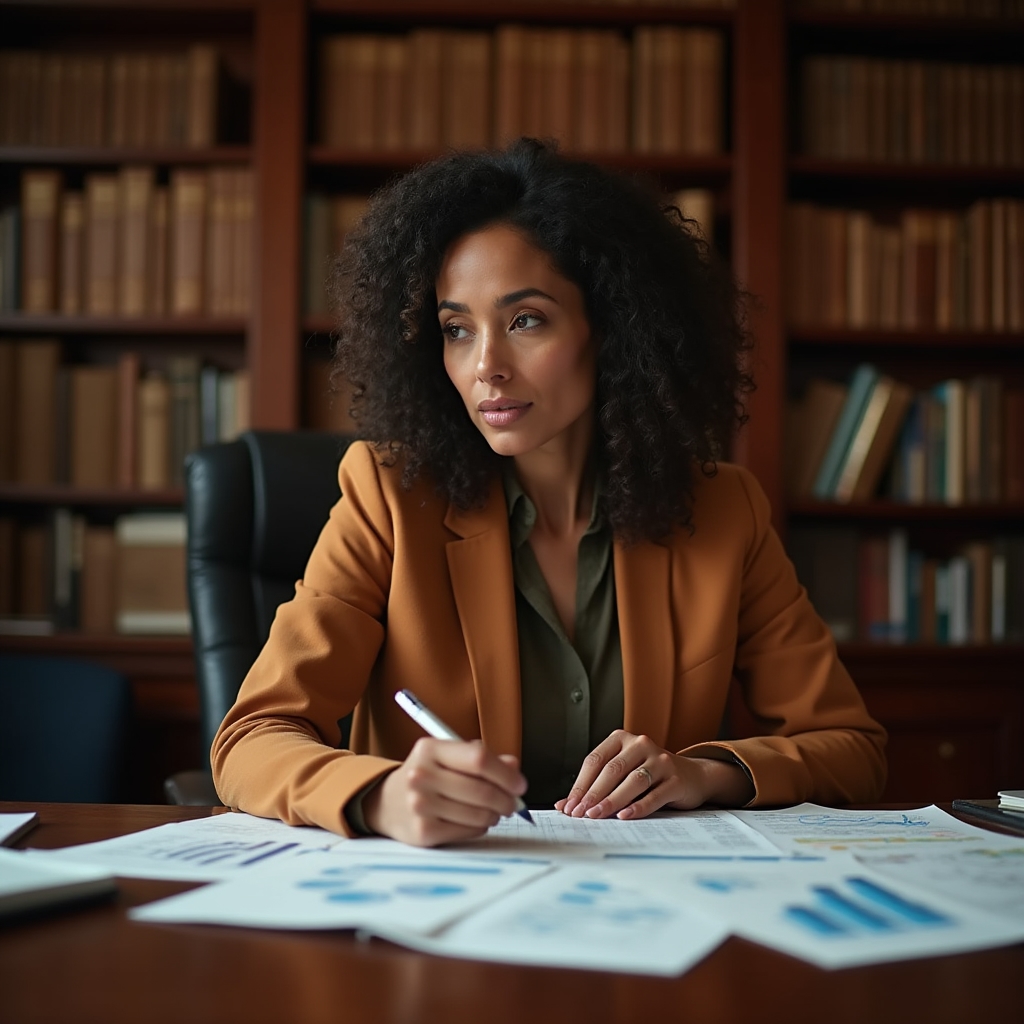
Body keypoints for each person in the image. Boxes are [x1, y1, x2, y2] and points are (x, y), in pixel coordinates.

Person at [211, 139, 886, 847]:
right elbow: (251, 739)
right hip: (440, 908)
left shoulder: (724, 511)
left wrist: (706, 773)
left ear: (613, 327)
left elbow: (851, 748)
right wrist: (380, 797)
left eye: (525, 320)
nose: (485, 367)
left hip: (650, 914)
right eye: (455, 330)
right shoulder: (387, 498)